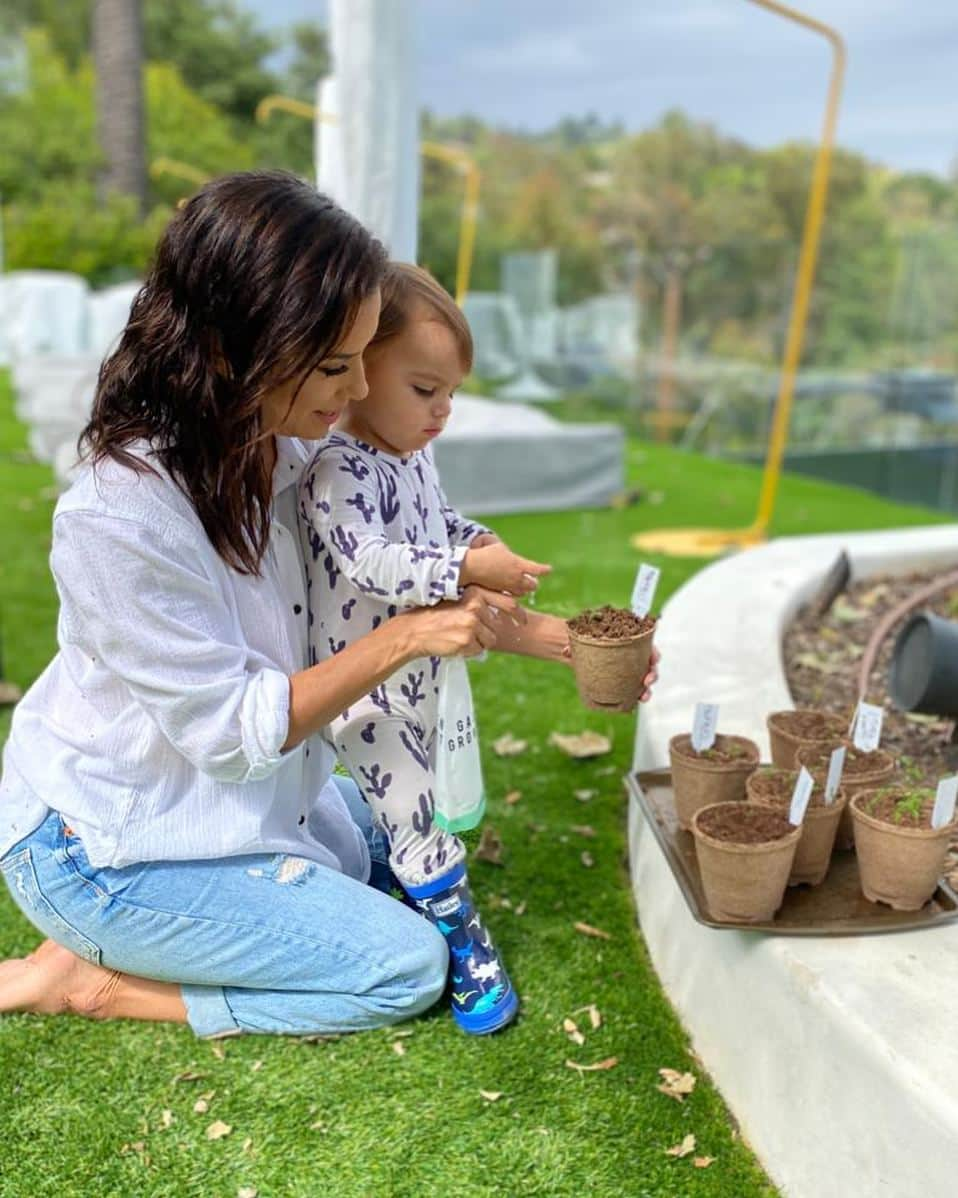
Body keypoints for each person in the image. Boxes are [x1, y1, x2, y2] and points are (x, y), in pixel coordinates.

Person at [0, 172, 521, 1039]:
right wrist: (405, 638)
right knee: (406, 968)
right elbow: (230, 735)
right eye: (332, 364)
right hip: (111, 846)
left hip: (233, 795)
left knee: (388, 831)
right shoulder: (116, 517)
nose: (359, 390)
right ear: (232, 350)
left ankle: (211, 913)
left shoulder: (278, 445)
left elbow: (382, 544)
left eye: (362, 356)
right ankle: (90, 983)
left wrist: (539, 621)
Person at [299, 263, 565, 1033]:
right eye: (425, 390)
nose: (442, 411)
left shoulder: (411, 452)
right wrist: (463, 569)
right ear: (359, 370)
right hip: (367, 687)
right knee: (417, 811)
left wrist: (479, 541)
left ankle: (398, 870)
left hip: (422, 668)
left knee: (423, 791)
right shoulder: (337, 466)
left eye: (451, 394)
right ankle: (461, 938)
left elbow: (436, 520)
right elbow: (368, 558)